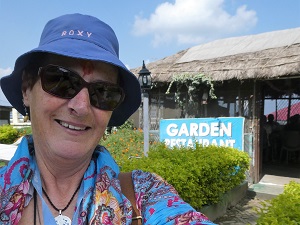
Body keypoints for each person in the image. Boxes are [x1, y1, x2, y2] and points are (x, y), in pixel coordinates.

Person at [0, 14, 215, 225]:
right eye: (61, 81)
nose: (81, 106)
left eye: (103, 93)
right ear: (27, 88)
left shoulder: (144, 194)